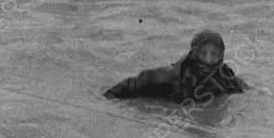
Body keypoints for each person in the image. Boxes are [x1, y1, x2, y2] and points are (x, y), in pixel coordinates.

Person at [104, 30, 248, 104]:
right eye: (203, 53)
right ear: (193, 53)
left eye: (214, 55)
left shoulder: (224, 75)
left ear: (221, 57)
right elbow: (131, 85)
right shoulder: (171, 77)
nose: (208, 60)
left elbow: (239, 87)